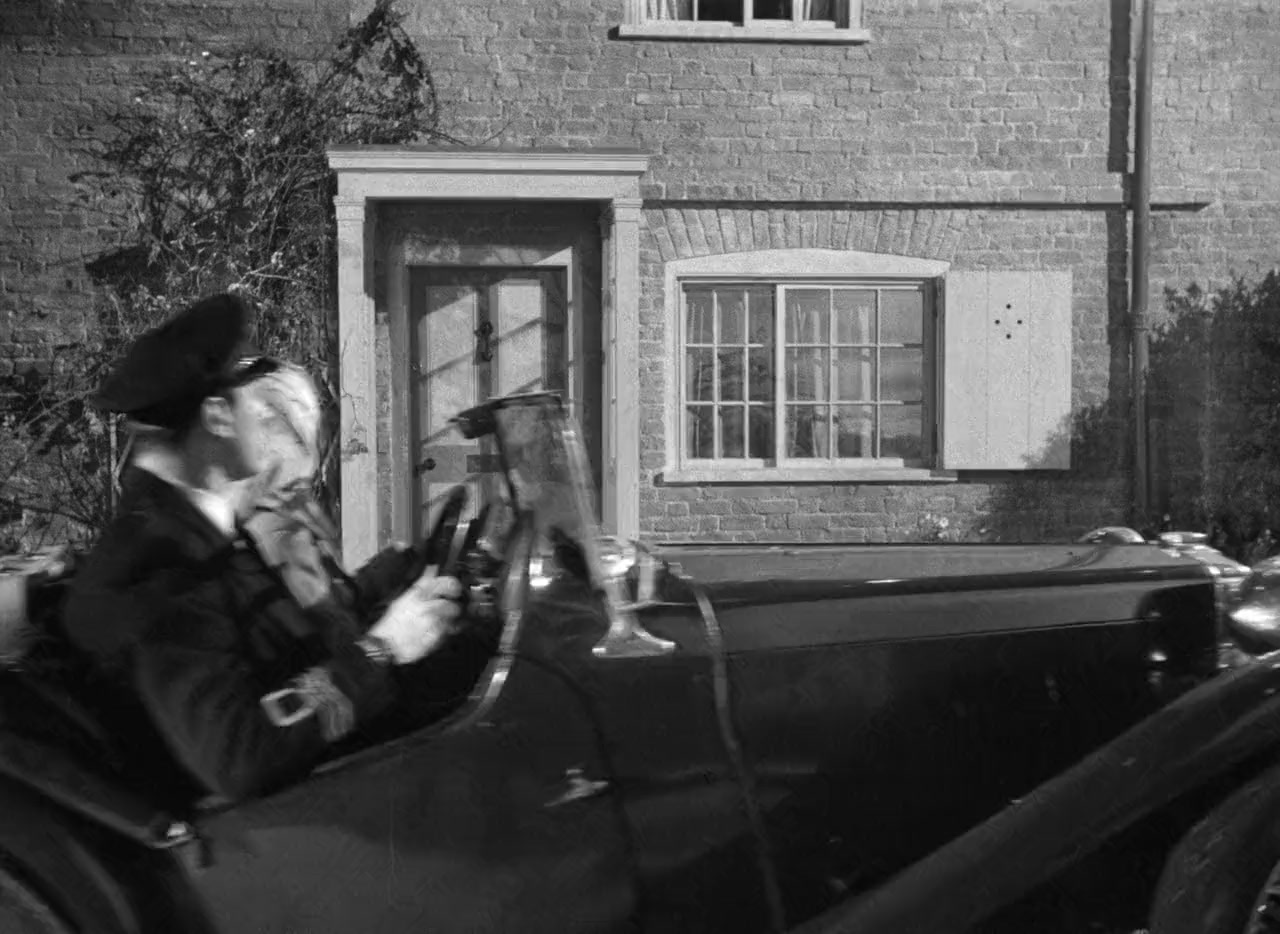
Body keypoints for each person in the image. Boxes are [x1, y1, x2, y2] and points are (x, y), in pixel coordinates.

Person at [62, 292, 462, 807]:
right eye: (252, 397)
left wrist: (390, 610)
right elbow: (239, 753)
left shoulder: (198, 530)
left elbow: (292, 644)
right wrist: (381, 650)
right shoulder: (156, 564)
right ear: (218, 416)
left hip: (323, 786)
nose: (266, 416)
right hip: (286, 824)